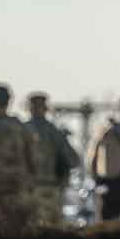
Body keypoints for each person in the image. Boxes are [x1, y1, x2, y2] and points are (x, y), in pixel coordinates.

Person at [0, 84, 40, 232]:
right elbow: (33, 159)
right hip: (17, 190)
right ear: (9, 100)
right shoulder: (21, 127)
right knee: (20, 232)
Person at [23, 92, 81, 226]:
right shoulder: (55, 132)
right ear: (45, 108)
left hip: (29, 188)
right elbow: (73, 160)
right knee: (53, 229)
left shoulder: (22, 130)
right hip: (52, 188)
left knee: (30, 228)